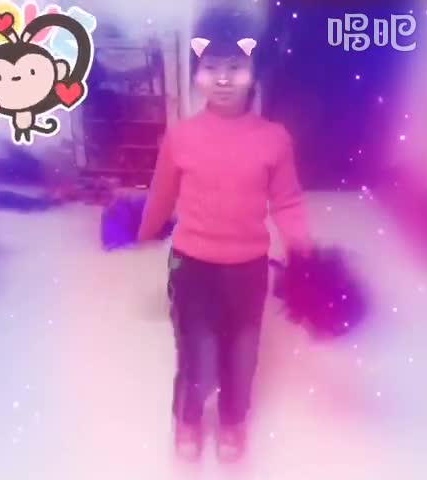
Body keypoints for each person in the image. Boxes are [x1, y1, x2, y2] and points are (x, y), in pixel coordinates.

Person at [138, 8, 311, 463]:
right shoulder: (181, 137)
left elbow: (287, 202)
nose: (222, 78)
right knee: (197, 350)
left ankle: (234, 419)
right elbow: (162, 193)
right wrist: (145, 230)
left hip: (248, 266)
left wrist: (303, 253)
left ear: (255, 70)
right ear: (196, 72)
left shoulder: (274, 139)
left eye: (235, 66)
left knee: (243, 351)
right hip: (191, 263)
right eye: (210, 66)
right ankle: (188, 417)